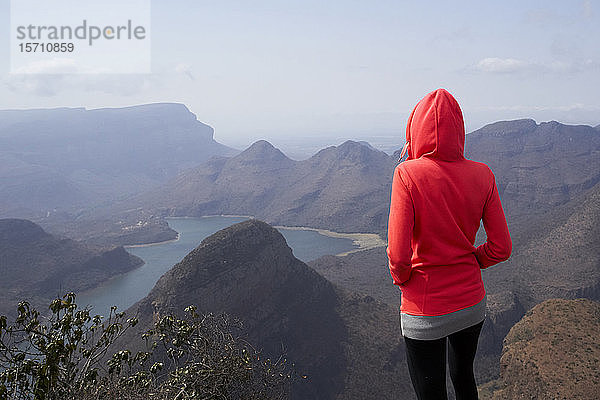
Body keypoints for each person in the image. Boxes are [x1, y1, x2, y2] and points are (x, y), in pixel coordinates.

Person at [386, 88, 512, 400]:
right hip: (471, 303)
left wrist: (402, 279)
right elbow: (501, 247)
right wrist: (473, 261)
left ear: (416, 128)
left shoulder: (407, 175)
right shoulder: (483, 174)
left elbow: (399, 257)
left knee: (431, 392)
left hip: (424, 308)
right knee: (464, 377)